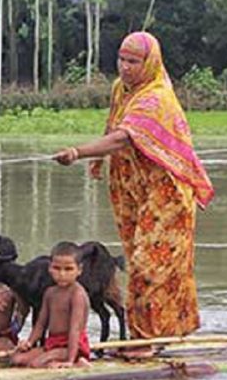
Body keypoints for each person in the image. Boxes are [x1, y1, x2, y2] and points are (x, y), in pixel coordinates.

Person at [54, 31, 215, 358]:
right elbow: (112, 127)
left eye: (133, 62)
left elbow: (123, 138)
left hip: (165, 193)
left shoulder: (155, 97)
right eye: (121, 60)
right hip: (133, 188)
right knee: (138, 257)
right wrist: (98, 159)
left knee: (146, 263)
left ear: (149, 63)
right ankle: (150, 335)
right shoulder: (120, 89)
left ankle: (142, 341)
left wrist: (78, 152)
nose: (125, 67)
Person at [10, 242, 91, 368]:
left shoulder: (77, 295)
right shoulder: (50, 293)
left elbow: (75, 329)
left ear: (79, 270)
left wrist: (69, 360)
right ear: (49, 268)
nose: (62, 274)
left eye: (68, 269)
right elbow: (41, 324)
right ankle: (54, 361)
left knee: (36, 364)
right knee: (17, 359)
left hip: (70, 346)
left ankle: (77, 361)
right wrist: (29, 342)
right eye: (57, 268)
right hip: (53, 343)